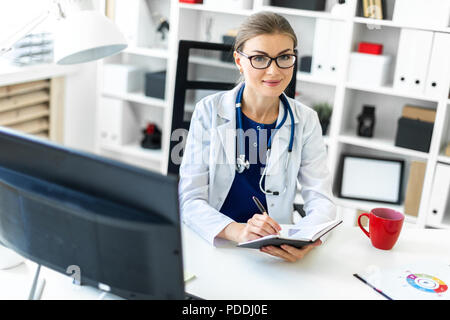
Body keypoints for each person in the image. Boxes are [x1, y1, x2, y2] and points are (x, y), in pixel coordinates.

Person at [178, 11, 336, 262]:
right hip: (217, 241)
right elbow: (189, 199)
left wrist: (307, 238)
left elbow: (321, 200)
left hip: (274, 250)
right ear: (239, 61)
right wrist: (239, 231)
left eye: (284, 57)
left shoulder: (306, 121)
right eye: (260, 58)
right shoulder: (209, 111)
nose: (274, 71)